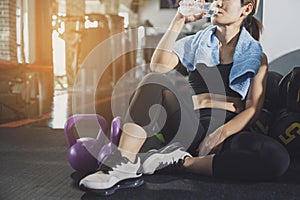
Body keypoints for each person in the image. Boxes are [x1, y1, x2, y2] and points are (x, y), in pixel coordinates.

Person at [79, 0, 290, 191]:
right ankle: (122, 165)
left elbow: (252, 110)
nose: (217, 2)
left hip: (227, 133)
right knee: (153, 80)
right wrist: (179, 20)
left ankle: (181, 162)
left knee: (276, 160)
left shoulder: (255, 56)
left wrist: (220, 133)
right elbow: (158, 65)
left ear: (247, 8)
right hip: (188, 125)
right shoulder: (196, 42)